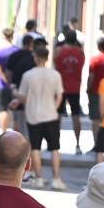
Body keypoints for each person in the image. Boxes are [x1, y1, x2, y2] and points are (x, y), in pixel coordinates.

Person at [18, 41, 67, 190]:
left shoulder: (28, 75)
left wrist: (28, 104)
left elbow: (22, 97)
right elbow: (59, 95)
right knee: (54, 148)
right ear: (47, 57)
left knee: (35, 148)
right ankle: (56, 179)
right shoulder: (55, 75)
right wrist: (55, 107)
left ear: (35, 57)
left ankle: (39, 178)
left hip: (33, 116)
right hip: (51, 115)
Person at [54, 30, 87, 152]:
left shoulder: (59, 51)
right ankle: (78, 145)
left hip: (60, 87)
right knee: (76, 116)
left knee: (57, 116)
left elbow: (55, 64)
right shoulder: (80, 52)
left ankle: (55, 143)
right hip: (75, 88)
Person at [2, 33, 38, 137]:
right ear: (31, 44)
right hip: (31, 90)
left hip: (17, 89)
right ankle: (26, 138)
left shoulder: (14, 55)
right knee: (29, 117)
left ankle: (18, 139)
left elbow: (8, 73)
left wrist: (11, 84)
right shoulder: (33, 57)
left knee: (17, 117)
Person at [86, 37, 104, 148]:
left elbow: (91, 76)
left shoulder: (95, 59)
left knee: (96, 120)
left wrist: (88, 88)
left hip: (96, 92)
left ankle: (97, 144)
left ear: (98, 46)